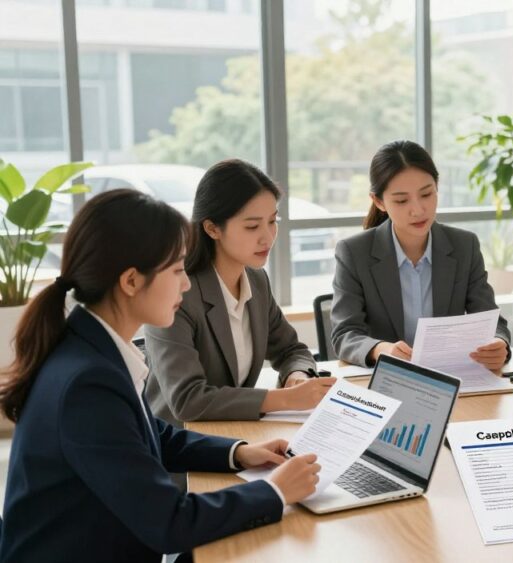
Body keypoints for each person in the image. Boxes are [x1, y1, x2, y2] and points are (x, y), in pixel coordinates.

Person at [0, 190, 321, 562]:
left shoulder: (89, 347)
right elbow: (170, 522)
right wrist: (275, 492)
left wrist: (240, 452)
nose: (186, 284)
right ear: (132, 281)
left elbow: (149, 433)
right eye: (176, 270)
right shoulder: (87, 383)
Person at [145, 159, 335, 427]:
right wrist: (285, 399)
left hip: (235, 435)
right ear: (212, 228)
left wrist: (298, 377)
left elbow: (291, 349)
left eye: (273, 221)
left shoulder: (256, 281)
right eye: (252, 226)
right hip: (181, 449)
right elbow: (187, 399)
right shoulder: (176, 294)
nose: (268, 237)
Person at [330, 140, 511, 369]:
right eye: (402, 200)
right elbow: (345, 334)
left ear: (437, 187)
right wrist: (381, 349)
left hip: (450, 378)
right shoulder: (354, 252)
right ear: (379, 202)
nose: (418, 210)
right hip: (385, 381)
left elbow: (491, 320)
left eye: (426, 194)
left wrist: (498, 342)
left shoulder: (465, 246)